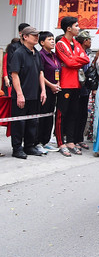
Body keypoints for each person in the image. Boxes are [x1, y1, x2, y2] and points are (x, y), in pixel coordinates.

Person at [54, 17, 90, 157]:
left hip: (76, 84)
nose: (78, 28)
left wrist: (74, 59)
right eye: (76, 25)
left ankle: (70, 141)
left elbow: (86, 58)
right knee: (62, 114)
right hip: (65, 83)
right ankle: (60, 142)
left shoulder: (76, 43)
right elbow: (69, 62)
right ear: (68, 28)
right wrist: (76, 59)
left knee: (74, 113)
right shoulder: (60, 44)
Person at [9, 27, 46, 159]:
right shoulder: (18, 53)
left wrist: (43, 90)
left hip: (34, 94)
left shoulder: (36, 53)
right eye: (33, 35)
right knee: (19, 123)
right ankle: (17, 148)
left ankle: (29, 146)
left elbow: (41, 72)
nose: (36, 37)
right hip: (22, 94)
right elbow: (14, 75)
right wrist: (19, 94)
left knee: (33, 122)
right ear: (25, 37)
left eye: (37, 35)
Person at [37, 31, 61, 152]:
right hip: (44, 90)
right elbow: (40, 74)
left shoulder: (54, 55)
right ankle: (38, 141)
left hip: (54, 89)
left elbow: (57, 71)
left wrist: (57, 84)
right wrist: (51, 85)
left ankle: (46, 140)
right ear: (42, 42)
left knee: (49, 115)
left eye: (53, 39)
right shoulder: (40, 55)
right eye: (49, 39)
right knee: (42, 115)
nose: (52, 41)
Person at [74, 30, 93, 152]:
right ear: (85, 41)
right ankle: (73, 139)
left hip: (85, 88)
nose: (91, 42)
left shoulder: (88, 53)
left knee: (83, 114)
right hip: (76, 86)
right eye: (89, 40)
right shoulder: (77, 51)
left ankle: (80, 138)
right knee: (75, 114)